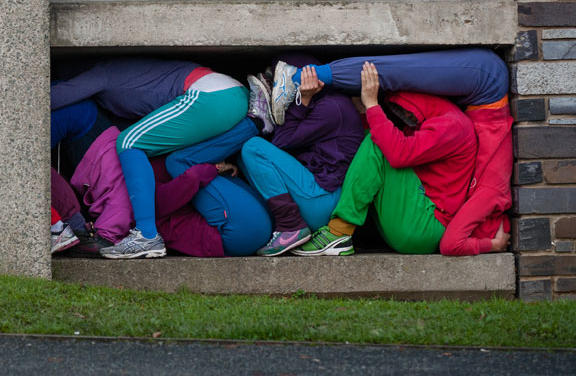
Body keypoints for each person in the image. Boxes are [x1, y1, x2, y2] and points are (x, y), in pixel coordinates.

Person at [270, 49, 512, 255]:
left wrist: (373, 105)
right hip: (412, 219)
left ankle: (338, 233)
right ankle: (341, 228)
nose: (402, 117)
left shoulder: (453, 126)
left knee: (379, 144)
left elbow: (396, 154)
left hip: (423, 227)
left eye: (402, 111)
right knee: (375, 138)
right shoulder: (442, 123)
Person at [51, 57, 248, 258]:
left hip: (209, 94)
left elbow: (51, 98)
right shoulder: (121, 80)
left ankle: (146, 235)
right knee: (175, 156)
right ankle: (257, 123)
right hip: (232, 96)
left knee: (128, 143)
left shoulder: (102, 72)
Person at [235, 54, 365, 256]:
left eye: (278, 78)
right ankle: (275, 224)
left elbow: (282, 142)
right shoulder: (325, 103)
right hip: (314, 194)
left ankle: (290, 226)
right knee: (244, 153)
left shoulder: (332, 107)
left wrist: (302, 99)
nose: (276, 84)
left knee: (254, 148)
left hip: (322, 199)